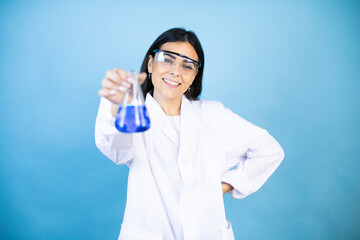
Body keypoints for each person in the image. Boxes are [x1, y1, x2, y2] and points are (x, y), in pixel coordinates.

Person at [95, 28, 284, 240]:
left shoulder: (213, 115)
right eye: (167, 59)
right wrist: (118, 108)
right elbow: (116, 150)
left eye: (187, 66)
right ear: (150, 64)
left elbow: (270, 150)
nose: (176, 71)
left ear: (194, 75)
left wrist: (226, 185)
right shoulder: (136, 114)